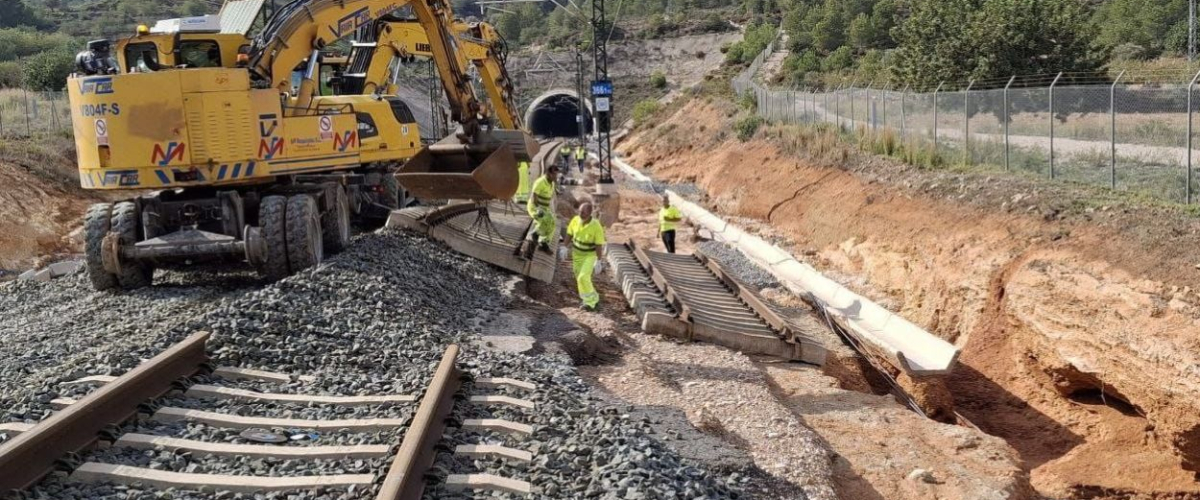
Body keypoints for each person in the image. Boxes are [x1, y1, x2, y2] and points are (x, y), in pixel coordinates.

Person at [564, 202, 606, 311]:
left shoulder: (596, 226)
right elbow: (569, 233)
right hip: (577, 254)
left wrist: (599, 260)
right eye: (579, 211)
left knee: (583, 277)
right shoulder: (575, 220)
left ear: (590, 213)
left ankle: (590, 303)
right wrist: (564, 247)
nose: (580, 214)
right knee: (579, 278)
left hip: (589, 256)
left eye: (583, 212)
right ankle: (591, 299)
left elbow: (598, 245)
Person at [526, 163, 559, 254]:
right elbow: (533, 197)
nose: (556, 176)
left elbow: (549, 198)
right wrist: (538, 209)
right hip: (535, 207)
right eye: (554, 174)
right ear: (548, 173)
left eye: (556, 174)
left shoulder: (551, 183)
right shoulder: (540, 182)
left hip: (544, 208)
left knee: (553, 223)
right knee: (546, 220)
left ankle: (544, 243)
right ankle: (534, 234)